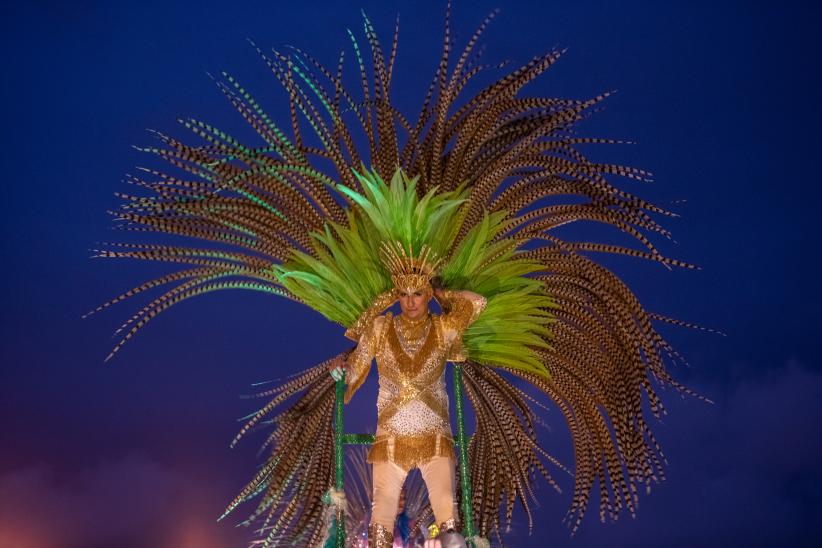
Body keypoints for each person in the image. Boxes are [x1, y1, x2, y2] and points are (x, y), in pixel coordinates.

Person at [331, 241, 486, 548]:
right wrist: (341, 371)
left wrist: (442, 293)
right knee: (380, 525)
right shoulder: (379, 328)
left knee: (450, 523)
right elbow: (354, 369)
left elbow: (477, 303)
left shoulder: (443, 329)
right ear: (396, 295)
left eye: (418, 293)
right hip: (390, 438)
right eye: (403, 293)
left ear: (427, 294)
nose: (410, 301)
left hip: (435, 437)